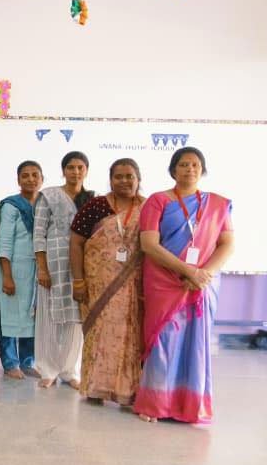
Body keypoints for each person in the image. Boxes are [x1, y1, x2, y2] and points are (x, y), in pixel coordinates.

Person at [135, 147, 234, 423]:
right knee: (163, 340)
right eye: (183, 164)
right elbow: (149, 245)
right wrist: (187, 271)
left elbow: (227, 244)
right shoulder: (157, 201)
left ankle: (190, 406)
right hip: (165, 281)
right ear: (173, 169)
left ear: (202, 170)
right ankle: (154, 405)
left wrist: (204, 274)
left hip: (203, 285)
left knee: (195, 344)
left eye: (195, 164)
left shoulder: (217, 204)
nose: (189, 169)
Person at [69, 158, 145, 406]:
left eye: (129, 176)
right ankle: (95, 387)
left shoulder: (149, 208)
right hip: (97, 284)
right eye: (118, 176)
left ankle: (127, 391)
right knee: (99, 333)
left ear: (138, 179)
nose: (124, 181)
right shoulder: (96, 206)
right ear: (110, 179)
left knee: (130, 336)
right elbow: (76, 243)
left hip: (134, 286)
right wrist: (78, 281)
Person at [34, 151, 94, 389]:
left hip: (80, 266)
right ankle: (47, 369)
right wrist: (42, 268)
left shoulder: (91, 199)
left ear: (86, 170)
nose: (76, 172)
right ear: (63, 170)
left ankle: (70, 370)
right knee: (49, 317)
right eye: (71, 167)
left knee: (75, 319)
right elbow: (39, 233)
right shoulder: (48, 196)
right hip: (53, 263)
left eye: (80, 167)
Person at [0, 161, 44, 380]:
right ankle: (10, 362)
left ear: (42, 179)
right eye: (25, 176)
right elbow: (4, 243)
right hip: (14, 269)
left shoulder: (45, 205)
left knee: (32, 317)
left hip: (38, 270)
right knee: (9, 317)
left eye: (35, 175)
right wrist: (7, 276)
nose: (30, 179)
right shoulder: (11, 206)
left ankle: (27, 362)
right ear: (18, 180)